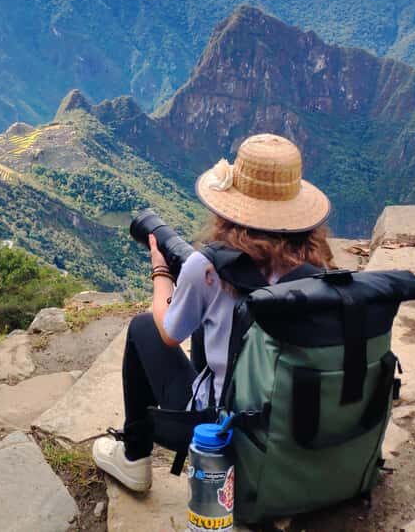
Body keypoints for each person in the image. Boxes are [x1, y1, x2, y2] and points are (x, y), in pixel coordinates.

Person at [92, 134, 333, 492]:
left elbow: (170, 332)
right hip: (291, 420)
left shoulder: (207, 269)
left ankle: (134, 455)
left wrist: (161, 272)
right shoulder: (315, 266)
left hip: (222, 432)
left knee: (144, 326)